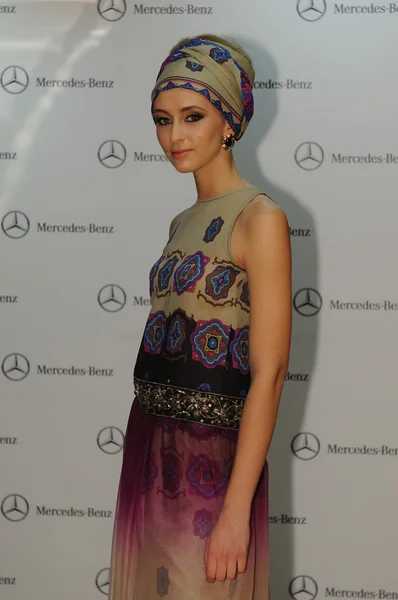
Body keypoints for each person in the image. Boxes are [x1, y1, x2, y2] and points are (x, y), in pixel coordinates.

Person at [109, 33, 292, 600]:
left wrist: (235, 512)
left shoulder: (260, 218)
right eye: (163, 120)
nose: (174, 136)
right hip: (149, 448)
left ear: (230, 122)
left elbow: (271, 370)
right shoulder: (179, 224)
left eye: (193, 116)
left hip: (212, 460)